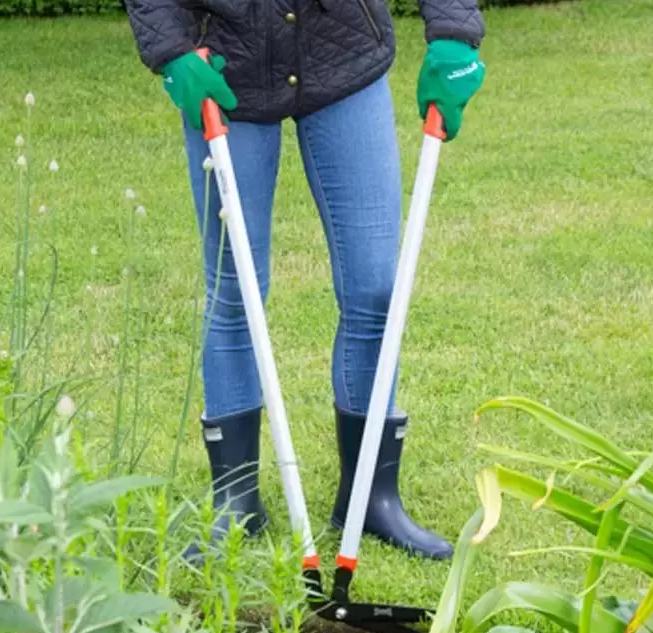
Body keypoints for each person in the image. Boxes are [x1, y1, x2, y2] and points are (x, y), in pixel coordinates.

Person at [123, 0, 486, 563]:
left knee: (374, 291)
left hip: (343, 52)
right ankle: (236, 499)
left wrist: (455, 29)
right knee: (235, 289)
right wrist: (171, 50)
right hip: (225, 67)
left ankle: (370, 497)